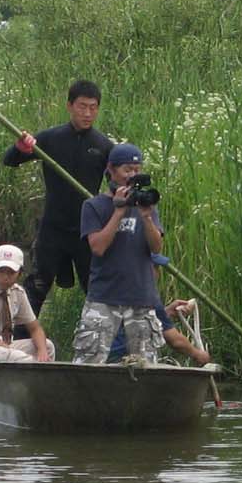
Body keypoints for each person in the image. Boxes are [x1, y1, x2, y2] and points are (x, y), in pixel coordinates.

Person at [2, 79, 114, 315]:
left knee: (95, 289)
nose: (87, 113)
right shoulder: (50, 138)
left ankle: (105, 342)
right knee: (37, 288)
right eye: (82, 106)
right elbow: (10, 161)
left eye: (93, 107)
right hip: (52, 228)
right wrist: (21, 148)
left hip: (86, 229)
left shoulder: (103, 145)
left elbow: (118, 182)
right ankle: (17, 341)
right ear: (69, 106)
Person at [73, 143, 165, 364]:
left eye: (136, 169)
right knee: (89, 361)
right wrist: (119, 211)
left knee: (145, 367)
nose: (132, 175)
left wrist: (145, 216)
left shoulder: (148, 207)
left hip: (141, 297)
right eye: (127, 170)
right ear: (111, 170)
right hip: (104, 297)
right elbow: (98, 247)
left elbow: (156, 247)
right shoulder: (94, 206)